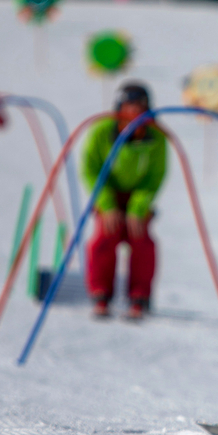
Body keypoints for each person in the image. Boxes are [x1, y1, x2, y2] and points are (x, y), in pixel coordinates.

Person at [82, 82, 167, 319]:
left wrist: (138, 208)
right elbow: (91, 170)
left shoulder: (156, 136)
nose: (134, 114)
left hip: (137, 197)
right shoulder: (102, 131)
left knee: (141, 240)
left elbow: (155, 177)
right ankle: (100, 293)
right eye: (129, 108)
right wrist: (106, 205)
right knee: (104, 237)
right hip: (108, 194)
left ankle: (139, 296)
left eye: (140, 108)